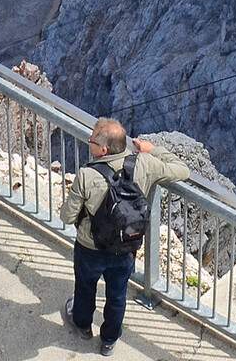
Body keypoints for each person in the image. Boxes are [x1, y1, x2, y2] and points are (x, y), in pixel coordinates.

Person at [59, 118, 190, 356]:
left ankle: (82, 326)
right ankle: (109, 340)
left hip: (90, 247)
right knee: (117, 295)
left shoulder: (87, 175)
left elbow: (67, 217)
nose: (90, 141)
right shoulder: (145, 164)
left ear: (104, 150)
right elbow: (183, 170)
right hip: (126, 247)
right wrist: (154, 150)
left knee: (85, 287)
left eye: (92, 140)